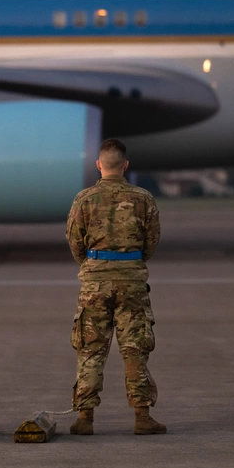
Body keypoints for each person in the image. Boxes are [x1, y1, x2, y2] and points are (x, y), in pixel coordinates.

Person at [65, 138, 166, 436]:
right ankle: (142, 415)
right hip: (132, 280)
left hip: (94, 281)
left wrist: (92, 264)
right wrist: (132, 262)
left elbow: (74, 240)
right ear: (125, 165)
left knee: (90, 348)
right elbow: (152, 240)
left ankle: (85, 417)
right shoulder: (143, 198)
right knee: (135, 348)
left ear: (98, 165)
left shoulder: (84, 198)